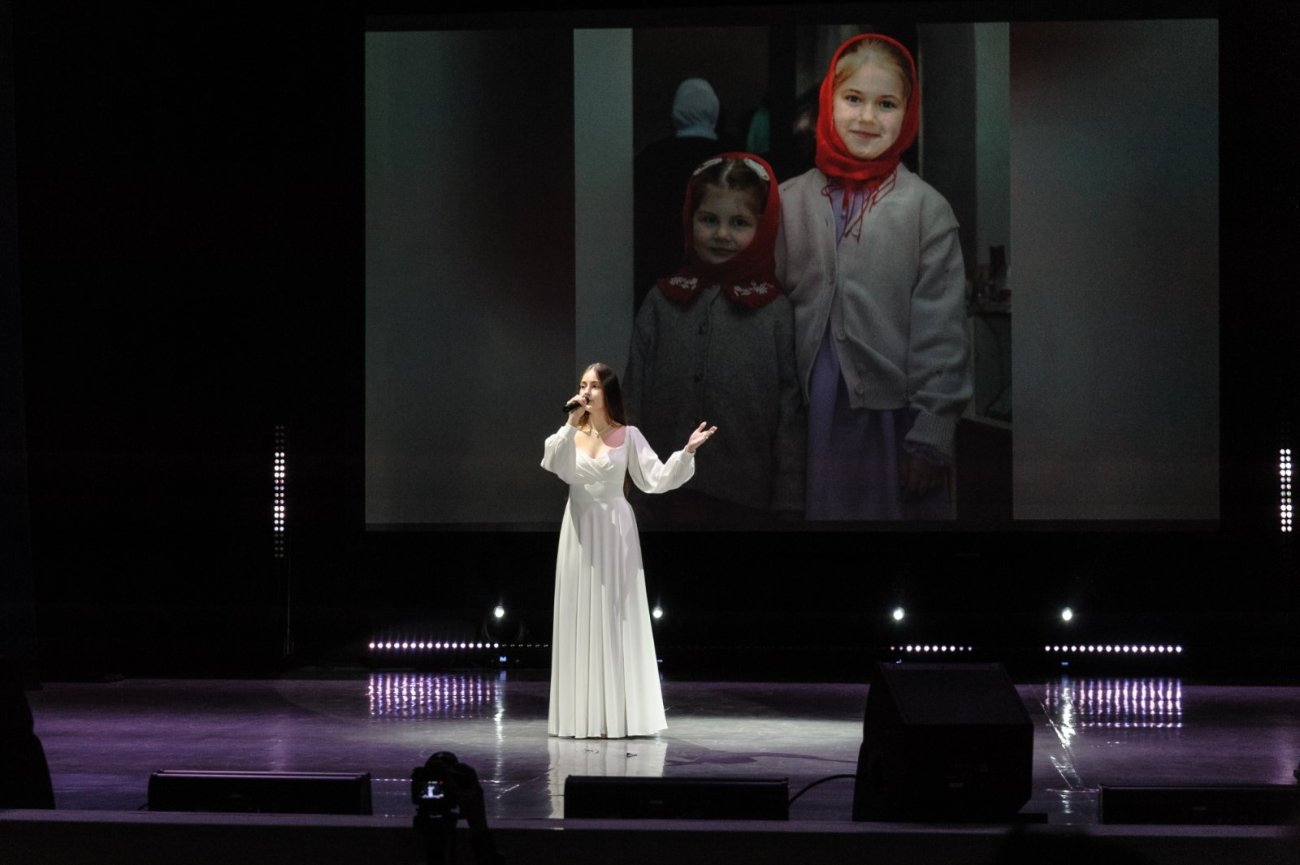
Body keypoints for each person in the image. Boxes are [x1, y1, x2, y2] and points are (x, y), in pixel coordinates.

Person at [776, 33, 971, 520]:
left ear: (909, 112)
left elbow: (942, 332)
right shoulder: (786, 201)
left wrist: (931, 433)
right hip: (809, 417)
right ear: (827, 102)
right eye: (853, 99)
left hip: (894, 423)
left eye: (886, 104)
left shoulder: (926, 211)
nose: (867, 117)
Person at [625, 153, 804, 523]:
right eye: (709, 220)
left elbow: (790, 417)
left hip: (746, 502)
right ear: (689, 220)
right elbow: (632, 400)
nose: (722, 235)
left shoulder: (776, 312)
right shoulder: (662, 301)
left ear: (763, 227)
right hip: (663, 498)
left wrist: (789, 502)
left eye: (739, 222)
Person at [541, 363, 716, 739]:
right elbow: (555, 464)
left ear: (608, 393)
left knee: (615, 615)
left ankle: (617, 716)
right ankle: (581, 716)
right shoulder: (571, 435)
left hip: (615, 530)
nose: (586, 392)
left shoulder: (629, 435)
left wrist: (686, 451)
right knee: (578, 612)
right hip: (579, 528)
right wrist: (571, 421)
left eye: (593, 386)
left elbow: (655, 479)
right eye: (582, 385)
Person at [633, 78, 736, 313]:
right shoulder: (733, 157)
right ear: (714, 109)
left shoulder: (653, 158)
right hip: (722, 274)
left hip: (662, 270)